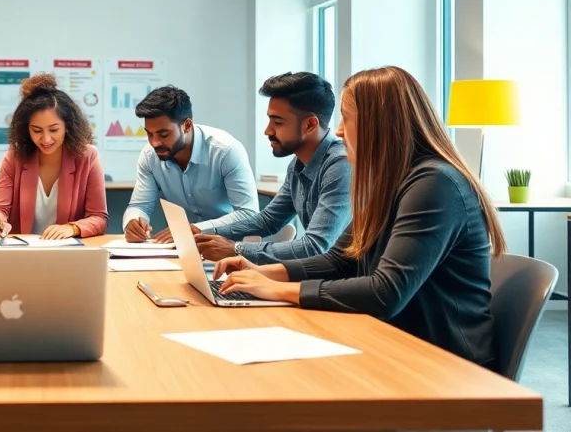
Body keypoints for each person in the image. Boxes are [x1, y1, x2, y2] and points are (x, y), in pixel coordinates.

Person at [213, 66, 506, 368]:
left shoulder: (435, 184)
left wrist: (280, 290)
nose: (338, 130)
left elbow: (385, 292)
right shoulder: (393, 182)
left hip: (443, 363)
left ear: (380, 125)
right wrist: (265, 272)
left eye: (347, 118)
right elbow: (340, 260)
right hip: (395, 341)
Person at [193, 72, 351, 264]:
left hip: (345, 285)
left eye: (277, 122)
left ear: (310, 125)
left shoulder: (341, 165)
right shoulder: (298, 164)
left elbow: (315, 246)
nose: (268, 130)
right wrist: (203, 232)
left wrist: (236, 250)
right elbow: (268, 221)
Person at [123, 85, 259, 243]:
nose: (155, 143)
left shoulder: (225, 151)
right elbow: (139, 206)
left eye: (164, 134)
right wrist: (132, 222)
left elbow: (249, 214)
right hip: (182, 248)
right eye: (149, 134)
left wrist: (196, 229)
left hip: (227, 246)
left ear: (187, 125)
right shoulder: (149, 156)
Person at [0, 73, 108, 239]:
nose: (46, 139)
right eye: (37, 130)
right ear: (27, 129)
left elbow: (99, 218)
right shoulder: (14, 156)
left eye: (54, 130)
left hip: (67, 253)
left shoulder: (88, 156)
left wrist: (72, 228)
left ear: (67, 126)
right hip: (22, 253)